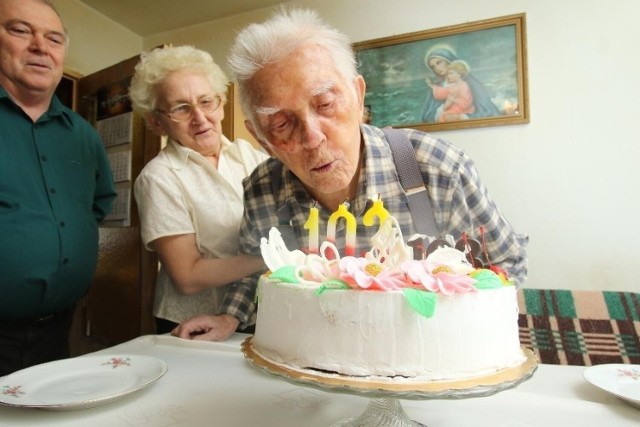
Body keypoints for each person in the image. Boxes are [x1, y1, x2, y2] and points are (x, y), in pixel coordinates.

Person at [173, 8, 527, 342]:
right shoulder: (262, 191)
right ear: (262, 139)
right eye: (281, 123)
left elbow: (505, 263)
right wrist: (230, 317)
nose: (312, 137)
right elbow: (259, 273)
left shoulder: (437, 170)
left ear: (358, 97)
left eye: (325, 104)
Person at [0, 0, 116, 376]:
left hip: (55, 331)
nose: (40, 46)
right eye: (20, 30)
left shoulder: (84, 134)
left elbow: (96, 206)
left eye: (54, 38)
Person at [129, 45, 269, 335]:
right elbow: (187, 276)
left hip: (256, 312)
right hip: (193, 323)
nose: (200, 117)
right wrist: (270, 258)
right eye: (181, 108)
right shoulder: (159, 178)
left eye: (207, 102)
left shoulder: (251, 157)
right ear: (157, 122)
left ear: (221, 103)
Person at [421, 46, 500, 123]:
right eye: (433, 67)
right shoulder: (437, 87)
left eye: (439, 63)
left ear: (448, 60)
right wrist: (439, 116)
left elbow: (488, 110)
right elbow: (427, 116)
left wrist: (462, 117)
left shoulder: (470, 82)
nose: (437, 68)